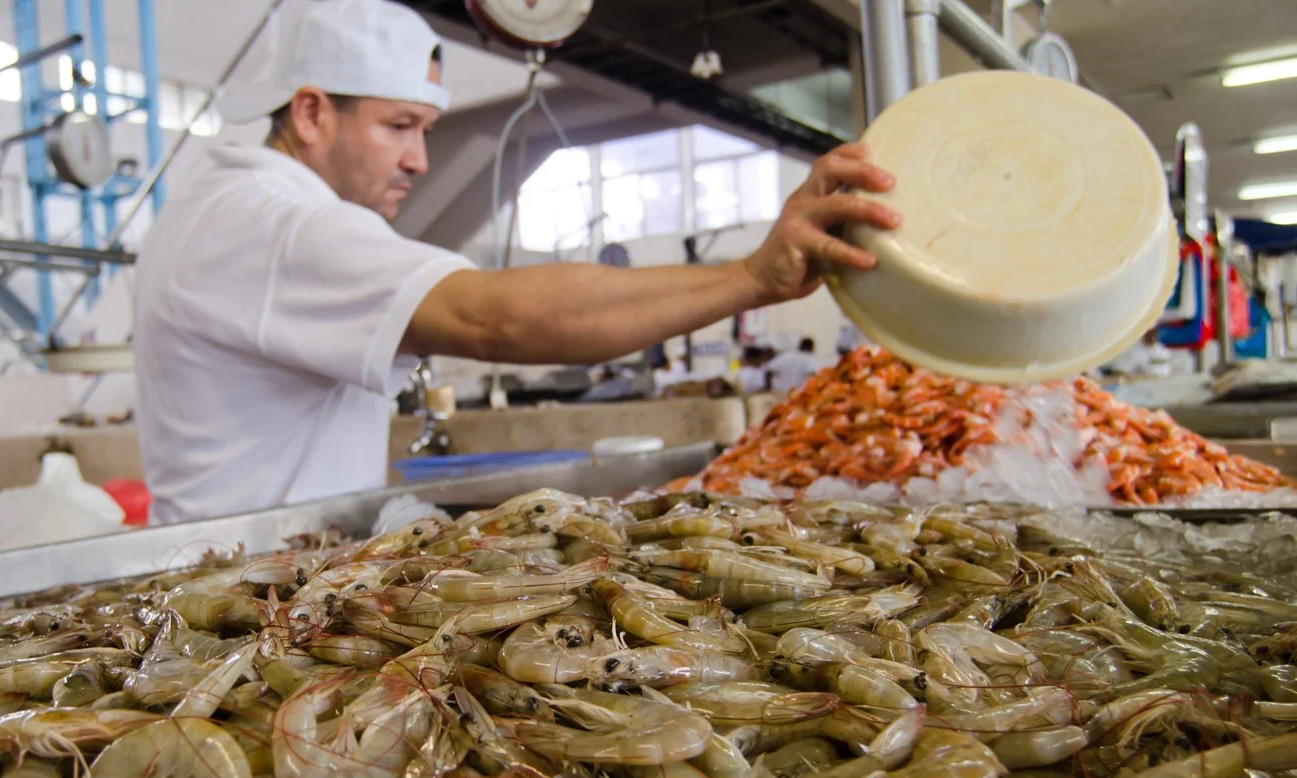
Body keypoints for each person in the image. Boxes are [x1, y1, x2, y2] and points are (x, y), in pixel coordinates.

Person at [133, 0, 900, 524]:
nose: (419, 160)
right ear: (309, 113)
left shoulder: (215, 208)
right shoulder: (276, 224)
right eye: (399, 126)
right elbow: (493, 319)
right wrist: (750, 278)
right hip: (245, 593)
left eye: (427, 129)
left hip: (248, 569)